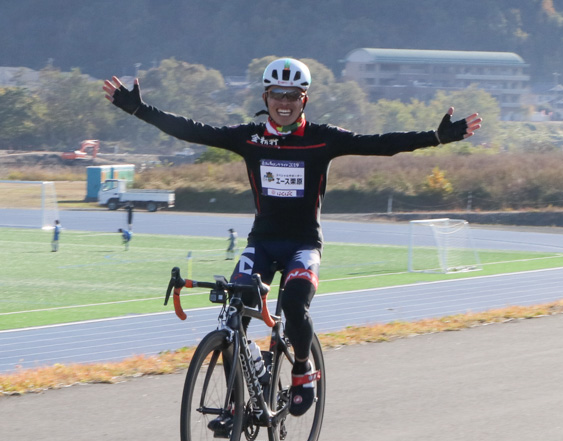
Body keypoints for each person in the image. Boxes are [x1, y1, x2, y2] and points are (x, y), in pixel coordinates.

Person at [104, 57, 481, 417]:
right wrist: (139, 110)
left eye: (292, 96)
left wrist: (436, 137)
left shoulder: (323, 138)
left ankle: (302, 368)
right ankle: (239, 394)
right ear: (265, 98)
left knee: (296, 305)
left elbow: (380, 143)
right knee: (233, 315)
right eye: (276, 95)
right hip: (262, 244)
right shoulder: (248, 137)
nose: (283, 103)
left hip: (303, 245)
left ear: (305, 99)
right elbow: (191, 129)